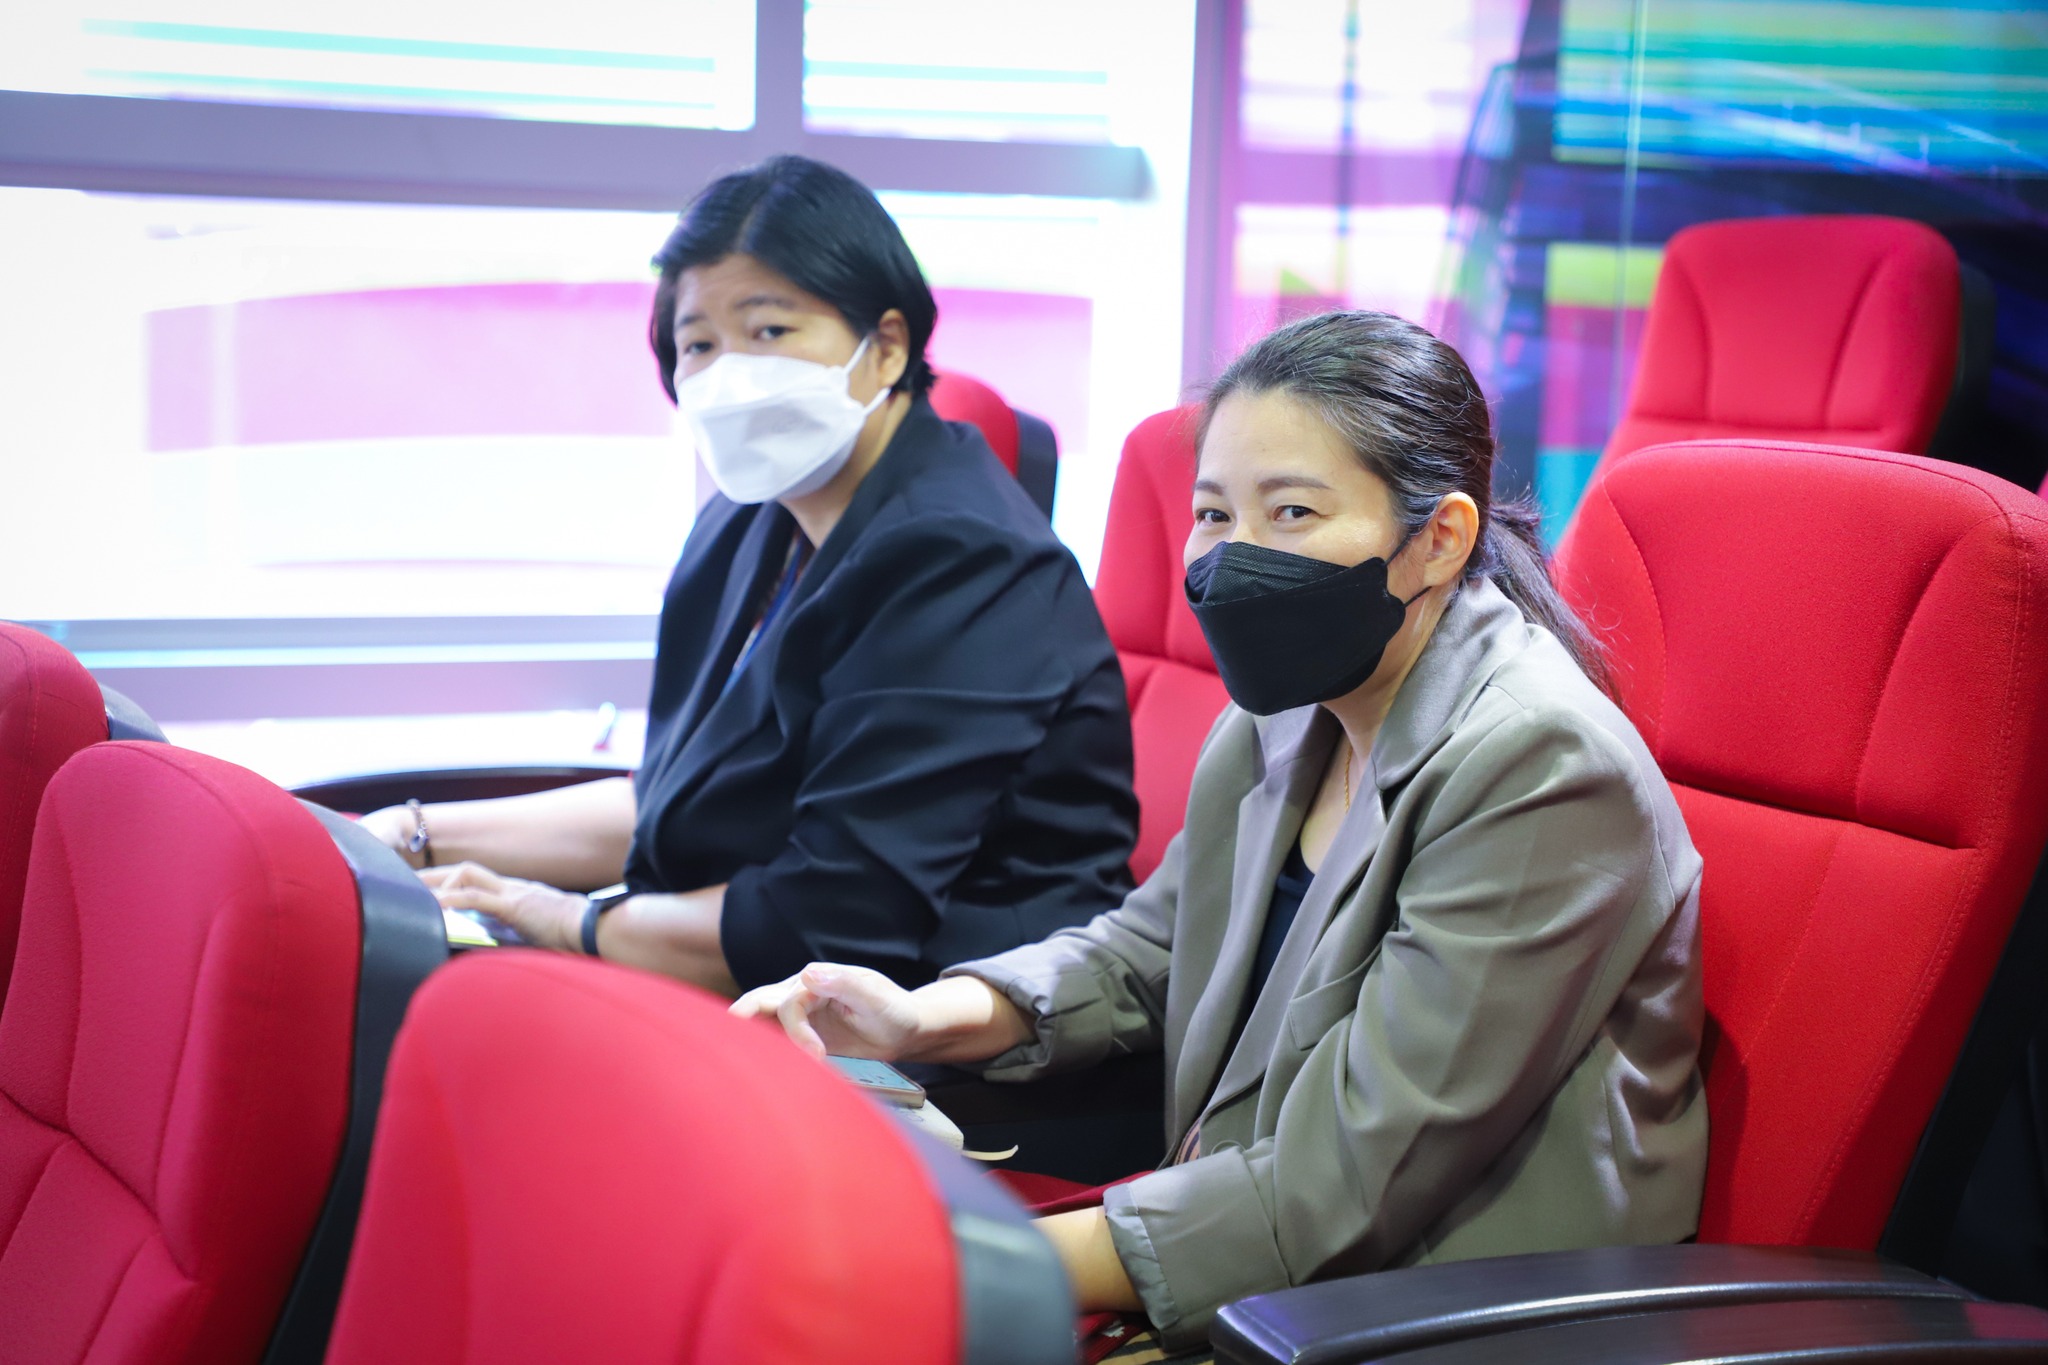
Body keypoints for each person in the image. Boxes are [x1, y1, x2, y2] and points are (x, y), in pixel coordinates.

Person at [734, 310, 1707, 1357]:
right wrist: (919, 1019)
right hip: (1265, 1259)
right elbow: (1150, 951)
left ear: (1438, 539)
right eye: (1212, 512)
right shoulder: (1287, 707)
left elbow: (1349, 1178)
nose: (1233, 555)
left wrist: (961, 1261)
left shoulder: (1539, 766)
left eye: (1290, 512)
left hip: (1439, 1312)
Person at [360, 156, 1137, 996]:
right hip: (770, 978)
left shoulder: (961, 558)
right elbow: (667, 802)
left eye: (769, 331)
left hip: (952, 1022)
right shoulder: (754, 517)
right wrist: (408, 834)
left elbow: (827, 920)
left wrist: (567, 919)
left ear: (885, 348)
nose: (730, 375)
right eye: (699, 344)